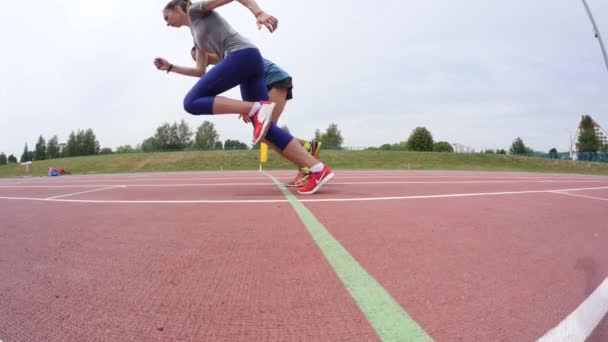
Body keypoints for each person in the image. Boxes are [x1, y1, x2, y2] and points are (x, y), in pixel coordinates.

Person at [154, 0, 333, 194]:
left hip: (244, 55)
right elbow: (200, 71)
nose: (166, 23)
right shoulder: (196, 37)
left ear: (177, 8)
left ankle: (255, 108)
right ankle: (317, 169)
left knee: (191, 102)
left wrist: (258, 13)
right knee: (266, 130)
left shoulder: (196, 9)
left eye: (166, 17)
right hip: (249, 62)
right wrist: (171, 68)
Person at [190, 47, 321, 187]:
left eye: (198, 57)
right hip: (270, 82)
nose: (200, 63)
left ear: (207, 52)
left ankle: (310, 165)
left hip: (274, 80)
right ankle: (307, 155)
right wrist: (246, 107)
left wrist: (246, 107)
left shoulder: (229, 56)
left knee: (268, 133)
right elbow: (246, 82)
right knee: (267, 134)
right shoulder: (228, 60)